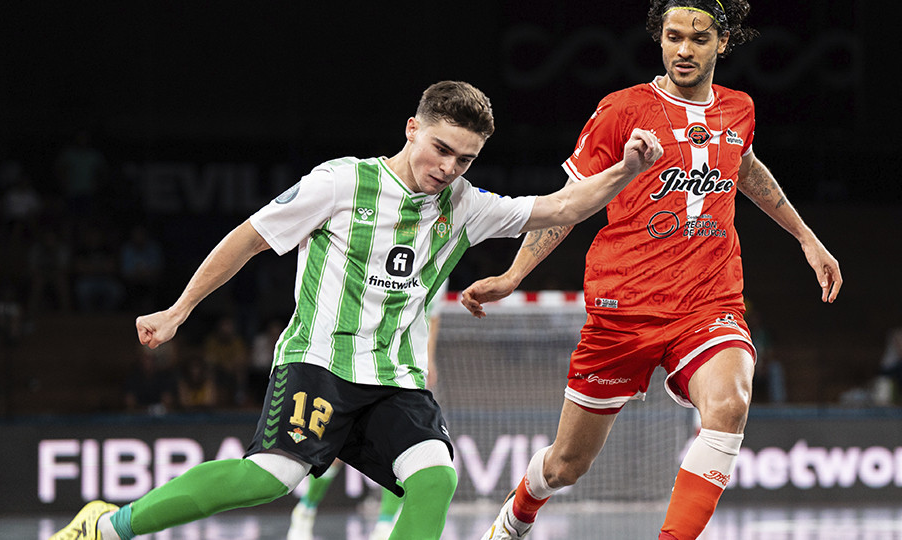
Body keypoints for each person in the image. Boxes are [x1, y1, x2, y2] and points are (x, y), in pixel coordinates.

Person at [49, 79, 663, 540]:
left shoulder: (466, 205)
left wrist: (628, 170)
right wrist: (180, 309)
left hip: (395, 379)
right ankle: (109, 526)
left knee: (435, 477)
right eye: (441, 149)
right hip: (319, 362)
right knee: (269, 479)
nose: (448, 168)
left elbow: (560, 207)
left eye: (465, 159)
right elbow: (249, 236)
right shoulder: (340, 182)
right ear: (411, 130)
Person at [465, 3, 843, 539]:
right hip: (624, 312)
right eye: (672, 37)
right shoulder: (622, 110)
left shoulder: (739, 109)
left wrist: (806, 237)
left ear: (723, 43)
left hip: (707, 305)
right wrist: (513, 274)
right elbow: (571, 203)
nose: (683, 50)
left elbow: (746, 167)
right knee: (566, 466)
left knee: (731, 403)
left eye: (698, 38)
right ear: (659, 41)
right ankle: (516, 515)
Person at [286, 284, 449, 540]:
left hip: (402, 370)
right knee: (336, 450)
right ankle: (305, 509)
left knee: (404, 448)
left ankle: (384, 525)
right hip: (359, 362)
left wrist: (428, 358)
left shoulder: (442, 253)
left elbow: (433, 313)